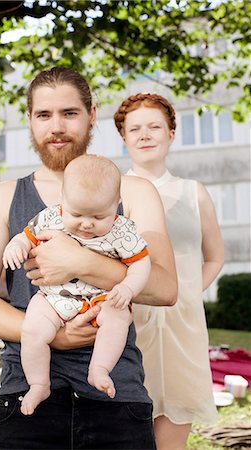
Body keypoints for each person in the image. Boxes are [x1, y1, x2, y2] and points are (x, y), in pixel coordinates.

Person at [0, 67, 177, 450]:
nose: (56, 126)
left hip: (116, 395)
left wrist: (81, 262)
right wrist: (54, 336)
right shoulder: (2, 197)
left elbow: (164, 288)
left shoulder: (135, 191)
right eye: (44, 115)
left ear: (92, 114)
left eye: (70, 113)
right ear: (29, 120)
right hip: (25, 394)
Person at [114, 93, 224, 450]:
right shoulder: (111, 192)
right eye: (135, 129)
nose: (144, 135)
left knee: (172, 440)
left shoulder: (195, 193)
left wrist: (187, 293)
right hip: (128, 327)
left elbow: (214, 258)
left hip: (184, 330)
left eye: (154, 127)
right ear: (124, 137)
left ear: (171, 133)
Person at [3, 154, 151, 415]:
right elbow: (26, 237)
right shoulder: (51, 217)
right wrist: (16, 246)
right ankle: (38, 383)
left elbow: (141, 264)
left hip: (101, 299)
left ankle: (99, 369)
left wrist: (128, 288)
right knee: (33, 329)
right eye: (77, 213)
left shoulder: (122, 230)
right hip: (54, 298)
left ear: (116, 204)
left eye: (98, 216)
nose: (86, 223)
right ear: (63, 199)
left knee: (118, 317)